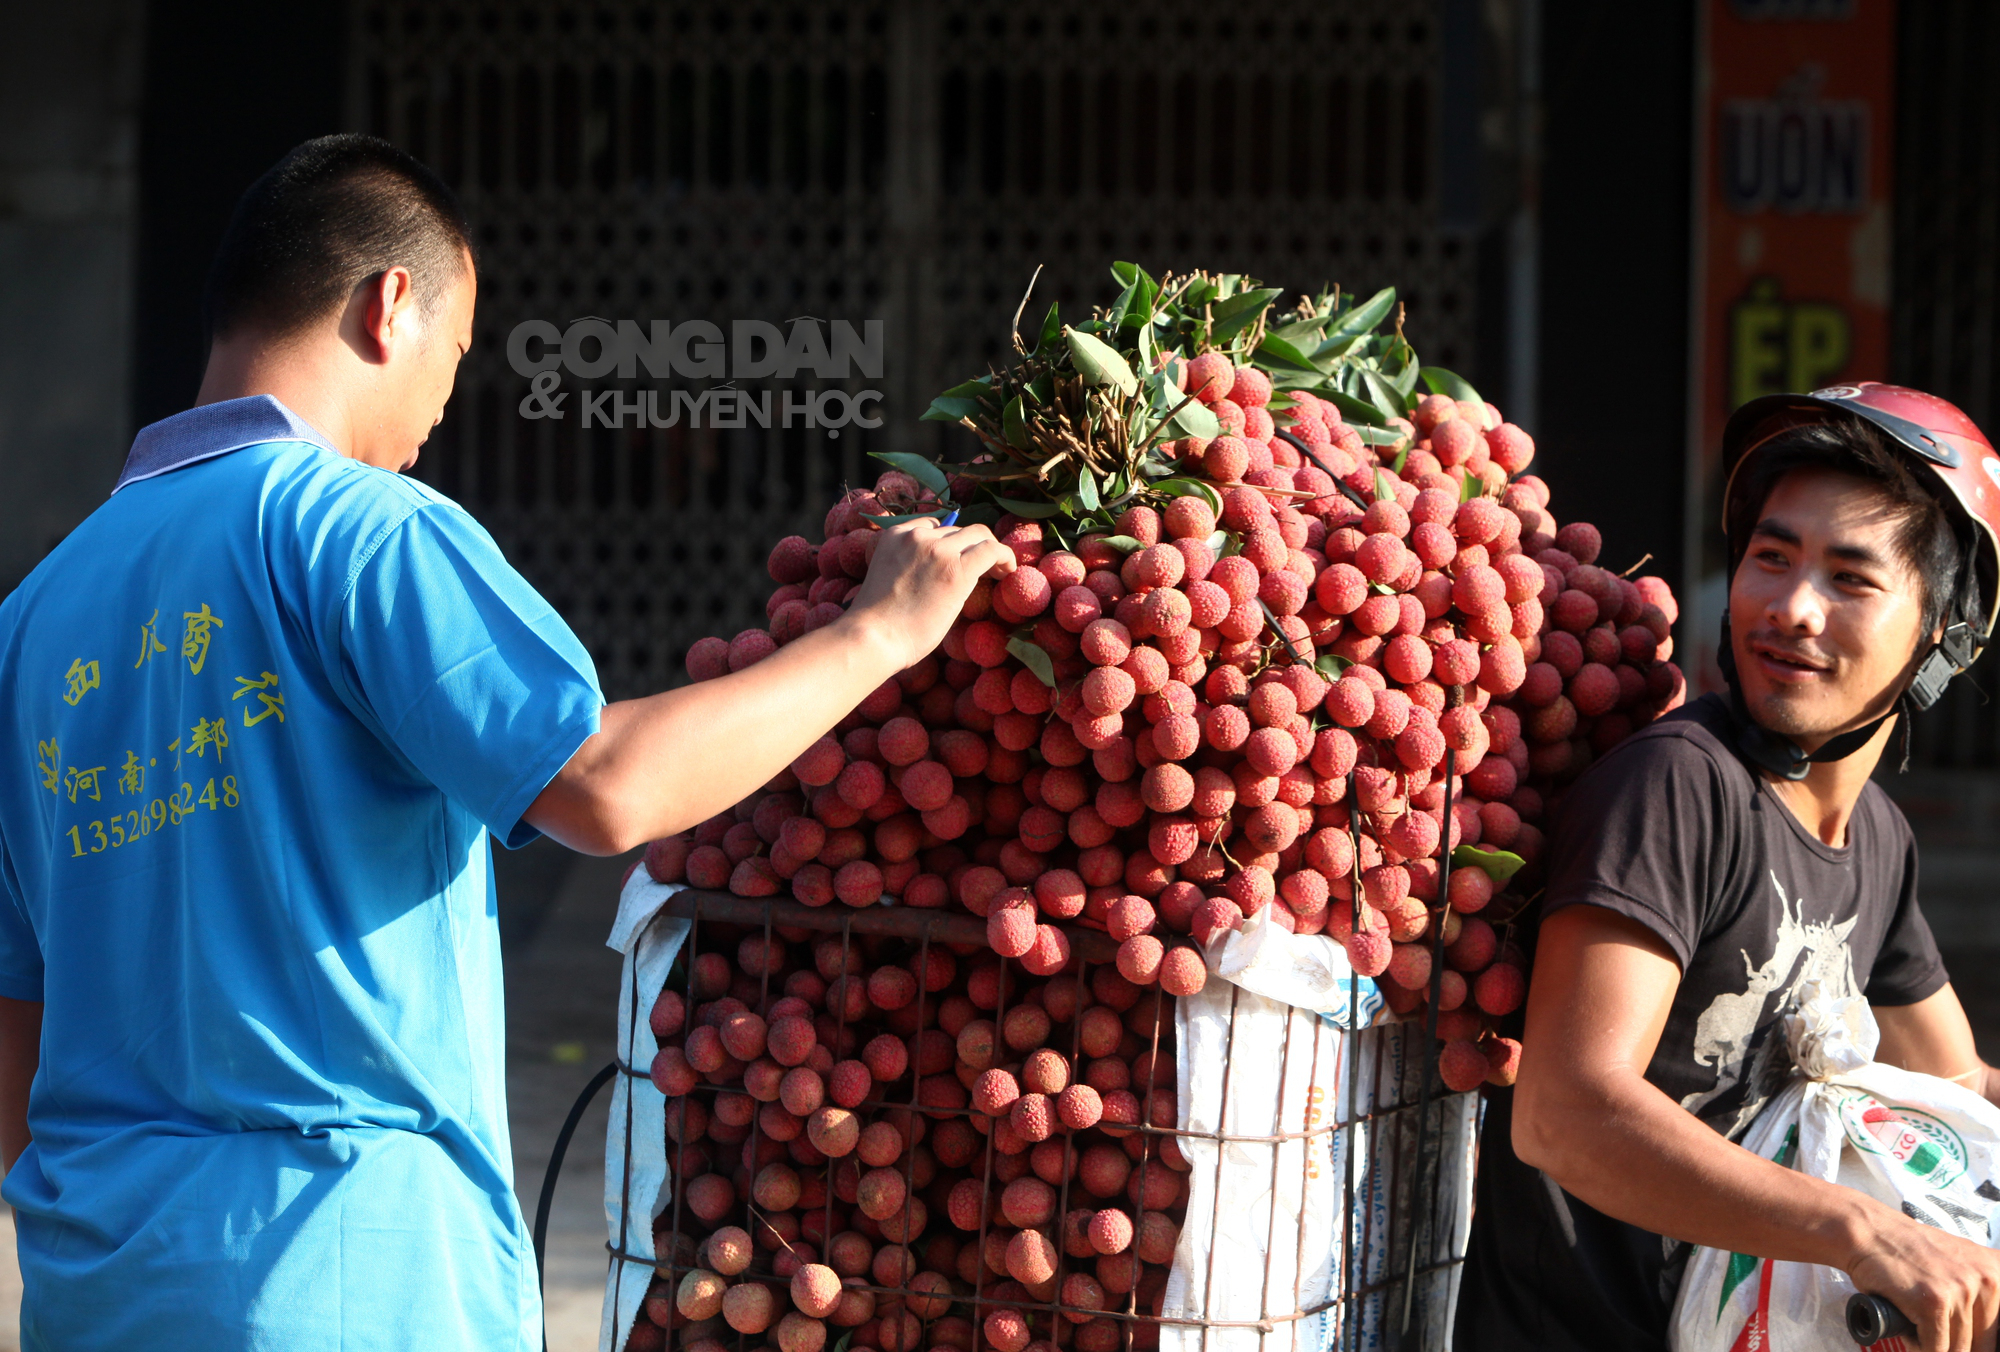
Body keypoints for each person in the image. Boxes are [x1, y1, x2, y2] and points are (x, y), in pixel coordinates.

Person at [0, 134, 1012, 1350]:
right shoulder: (356, 532)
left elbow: (17, 1035)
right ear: (391, 306)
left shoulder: (34, 617)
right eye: (460, 353)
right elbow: (602, 783)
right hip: (347, 1278)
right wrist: (874, 637)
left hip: (101, 1286)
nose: (441, 406)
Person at [1455, 383, 2000, 1352]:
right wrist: (1863, 1231)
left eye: (1848, 578)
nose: (1789, 607)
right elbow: (1563, 1108)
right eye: (1769, 558)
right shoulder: (1678, 788)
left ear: (1943, 633)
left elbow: (1954, 1076)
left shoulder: (1875, 834)